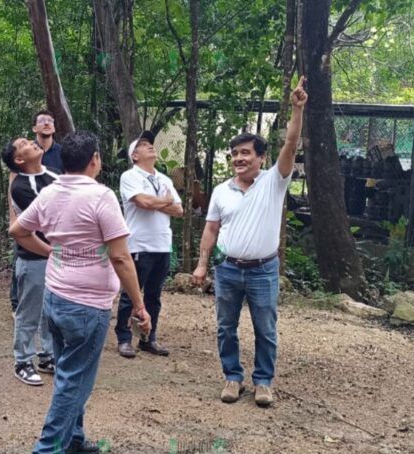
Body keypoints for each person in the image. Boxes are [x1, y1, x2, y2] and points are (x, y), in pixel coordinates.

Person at [10, 130, 151, 454]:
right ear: (95, 160)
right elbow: (120, 257)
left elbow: (18, 230)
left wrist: (52, 251)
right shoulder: (101, 197)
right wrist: (139, 304)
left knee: (69, 373)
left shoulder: (51, 191)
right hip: (87, 305)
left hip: (56, 297)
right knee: (76, 381)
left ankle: (72, 439)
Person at [192, 77, 308, 407]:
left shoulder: (274, 181)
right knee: (225, 327)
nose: (239, 159)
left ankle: (263, 382)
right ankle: (232, 377)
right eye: (234, 155)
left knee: (265, 329)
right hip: (228, 270)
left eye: (245, 153)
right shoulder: (220, 191)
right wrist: (202, 264)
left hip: (263, 270)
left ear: (261, 157)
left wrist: (297, 110)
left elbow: (291, 144)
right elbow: (211, 229)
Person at [114, 130, 183, 358]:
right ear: (134, 156)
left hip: (162, 244)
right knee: (130, 293)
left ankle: (148, 338)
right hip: (138, 244)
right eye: (143, 145)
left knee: (154, 295)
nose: (150, 147)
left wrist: (156, 203)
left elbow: (179, 209)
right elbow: (141, 201)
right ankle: (124, 338)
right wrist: (164, 201)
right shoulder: (130, 177)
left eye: (150, 144)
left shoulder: (165, 179)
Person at [2, 137, 59, 386]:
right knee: (29, 310)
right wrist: (50, 251)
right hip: (34, 257)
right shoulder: (21, 187)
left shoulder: (56, 176)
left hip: (57, 256)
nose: (32, 142)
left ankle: (47, 355)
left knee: (50, 310)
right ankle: (23, 360)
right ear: (19, 159)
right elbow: (46, 218)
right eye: (24, 143)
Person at [9, 109, 64, 312]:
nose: (47, 123)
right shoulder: (23, 153)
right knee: (23, 258)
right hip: (29, 221)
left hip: (57, 232)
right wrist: (12, 217)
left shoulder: (62, 154)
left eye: (50, 120)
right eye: (42, 121)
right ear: (35, 128)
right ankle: (17, 303)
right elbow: (13, 186)